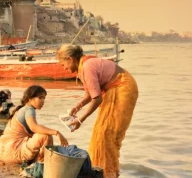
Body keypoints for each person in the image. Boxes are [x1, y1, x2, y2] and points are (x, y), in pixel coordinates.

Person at [56, 44, 138, 178]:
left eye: (63, 64)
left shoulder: (87, 66)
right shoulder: (83, 67)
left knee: (107, 134)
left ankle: (108, 173)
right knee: (102, 133)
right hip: (117, 88)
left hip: (123, 88)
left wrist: (80, 120)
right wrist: (77, 107)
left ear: (70, 59)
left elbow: (97, 99)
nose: (64, 68)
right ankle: (106, 171)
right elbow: (90, 94)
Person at [0, 85, 68, 164]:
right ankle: (42, 164)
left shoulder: (24, 109)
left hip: (4, 153)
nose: (43, 101)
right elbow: (34, 127)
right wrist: (57, 133)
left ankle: (40, 162)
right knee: (46, 136)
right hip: (13, 152)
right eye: (40, 97)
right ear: (30, 98)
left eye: (44, 98)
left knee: (43, 132)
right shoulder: (29, 109)